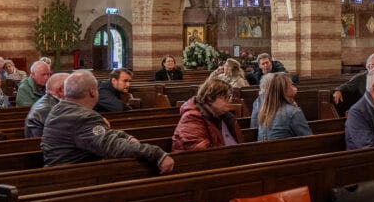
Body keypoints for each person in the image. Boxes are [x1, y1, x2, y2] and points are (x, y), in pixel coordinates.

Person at [41, 70, 174, 172]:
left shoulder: (59, 109)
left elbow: (103, 134)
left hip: (62, 173)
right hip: (72, 180)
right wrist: (156, 154)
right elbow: (111, 146)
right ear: (92, 92)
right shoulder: (81, 117)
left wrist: (126, 137)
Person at [172, 78, 244, 151]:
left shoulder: (226, 116)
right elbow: (201, 152)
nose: (230, 100)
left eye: (230, 97)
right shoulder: (191, 118)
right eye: (226, 97)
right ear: (210, 98)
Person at [254, 73, 312, 140]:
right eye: (291, 84)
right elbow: (308, 138)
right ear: (284, 90)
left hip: (265, 146)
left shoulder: (265, 110)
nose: (294, 87)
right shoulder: (294, 112)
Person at [25, 72, 69, 138]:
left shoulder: (50, 102)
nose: (76, 91)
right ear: (61, 90)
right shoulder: (51, 110)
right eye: (73, 87)